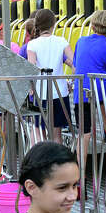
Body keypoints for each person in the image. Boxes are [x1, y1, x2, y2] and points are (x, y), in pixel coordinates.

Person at [70, 9, 106, 160]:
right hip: (100, 91)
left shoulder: (80, 41)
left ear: (91, 25)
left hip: (81, 91)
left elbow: (76, 66)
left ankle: (81, 172)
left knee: (84, 134)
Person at [26, 9, 73, 142]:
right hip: (60, 91)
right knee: (57, 134)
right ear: (53, 24)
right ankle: (56, 162)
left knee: (41, 131)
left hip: (41, 93)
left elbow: (31, 68)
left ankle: (44, 161)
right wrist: (70, 82)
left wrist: (30, 89)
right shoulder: (61, 41)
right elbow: (75, 63)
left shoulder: (32, 44)